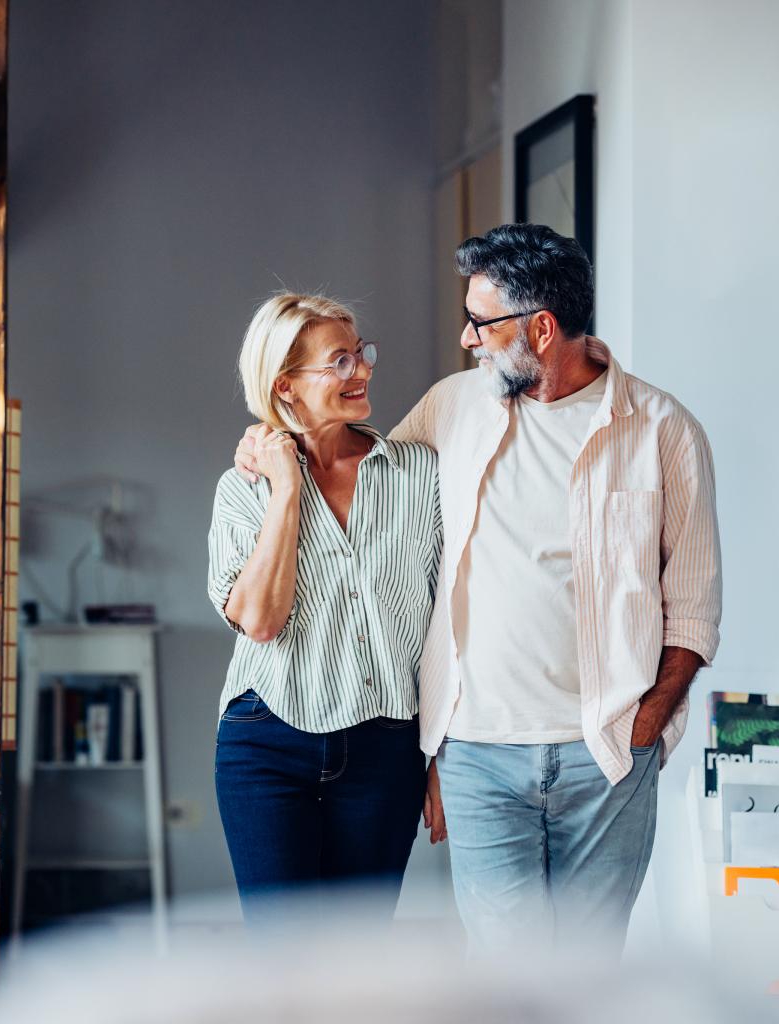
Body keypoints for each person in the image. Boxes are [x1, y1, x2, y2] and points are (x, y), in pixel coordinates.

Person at [235, 225, 723, 953]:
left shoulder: (663, 430)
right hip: (478, 754)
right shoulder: (451, 406)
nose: (466, 338)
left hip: (610, 755)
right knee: (505, 979)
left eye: (481, 322)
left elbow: (694, 603)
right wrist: (274, 443)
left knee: (589, 975)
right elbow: (361, 479)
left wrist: (647, 721)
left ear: (542, 327)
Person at [207, 293, 442, 924]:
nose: (362, 370)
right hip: (266, 744)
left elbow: (452, 624)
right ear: (286, 385)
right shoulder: (244, 488)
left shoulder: (420, 474)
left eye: (361, 353)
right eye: (340, 361)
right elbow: (259, 620)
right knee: (284, 965)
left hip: (385, 751)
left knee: (356, 963)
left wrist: (443, 756)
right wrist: (286, 489)